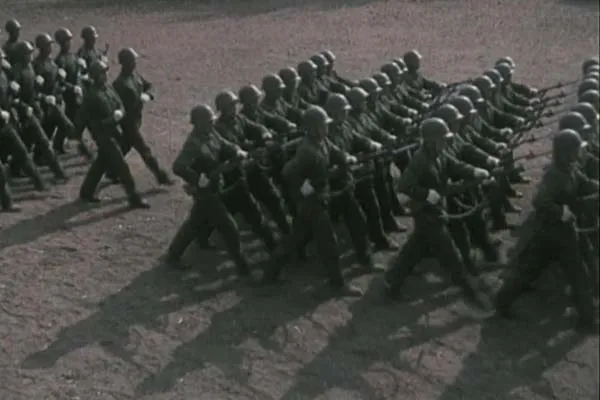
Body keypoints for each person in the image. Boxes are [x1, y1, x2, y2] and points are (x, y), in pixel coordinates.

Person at [496, 129, 599, 332]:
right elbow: (540, 201)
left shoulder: (570, 168)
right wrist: (560, 212)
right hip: (552, 232)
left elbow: (585, 184)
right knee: (573, 274)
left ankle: (502, 301)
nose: (580, 152)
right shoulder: (554, 175)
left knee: (540, 270)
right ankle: (587, 319)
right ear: (567, 152)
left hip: (561, 232)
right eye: (576, 149)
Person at [383, 118, 491, 309]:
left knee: (413, 251)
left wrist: (474, 171)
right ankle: (471, 294)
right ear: (431, 141)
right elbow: (404, 185)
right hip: (427, 215)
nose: (445, 142)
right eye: (442, 139)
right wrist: (425, 194)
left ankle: (392, 280)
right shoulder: (420, 160)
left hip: (435, 212)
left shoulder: (439, 155)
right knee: (452, 256)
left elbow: (455, 165)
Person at [260, 105, 363, 297]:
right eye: (323, 125)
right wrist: (303, 187)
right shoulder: (307, 150)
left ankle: (269, 275)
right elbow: (287, 172)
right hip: (311, 203)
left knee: (294, 239)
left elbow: (335, 152)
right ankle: (338, 284)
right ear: (313, 128)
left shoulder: (321, 141)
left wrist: (347, 158)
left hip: (318, 198)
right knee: (328, 243)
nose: (327, 128)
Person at [165, 104, 252, 275]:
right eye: (207, 121)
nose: (211, 124)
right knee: (229, 228)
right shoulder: (193, 144)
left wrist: (237, 151)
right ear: (197, 123)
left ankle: (174, 254)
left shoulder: (211, 133)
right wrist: (197, 179)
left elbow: (225, 144)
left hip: (214, 185)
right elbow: (178, 166)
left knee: (195, 222)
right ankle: (243, 268)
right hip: (205, 191)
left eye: (211, 121)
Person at [75, 60, 148, 208]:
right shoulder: (91, 96)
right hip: (103, 136)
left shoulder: (108, 88)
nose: (105, 76)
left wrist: (120, 112)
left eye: (105, 73)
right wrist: (110, 120)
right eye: (101, 74)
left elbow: (119, 102)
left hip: (115, 132)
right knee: (122, 167)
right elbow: (85, 119)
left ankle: (86, 191)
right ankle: (134, 198)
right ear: (95, 76)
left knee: (101, 163)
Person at [112, 47, 172, 185]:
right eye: (132, 61)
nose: (134, 63)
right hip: (128, 122)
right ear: (125, 63)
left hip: (137, 119)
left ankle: (111, 171)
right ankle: (161, 176)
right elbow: (118, 105)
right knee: (144, 150)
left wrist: (148, 95)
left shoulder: (135, 76)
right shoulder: (119, 84)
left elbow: (148, 86)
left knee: (125, 146)